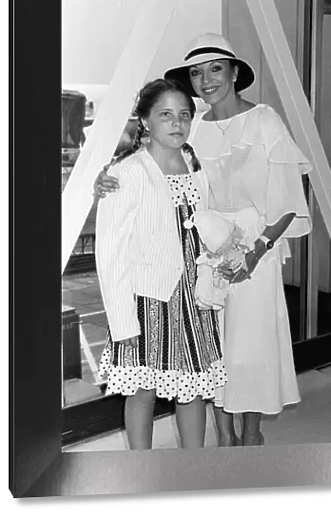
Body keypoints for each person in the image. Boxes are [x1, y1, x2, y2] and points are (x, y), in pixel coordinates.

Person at [95, 33, 312, 447]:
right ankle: (222, 438)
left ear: (234, 72)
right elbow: (151, 169)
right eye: (196, 72)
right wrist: (104, 176)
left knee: (250, 347)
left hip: (254, 250)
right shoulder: (193, 135)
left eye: (216, 68)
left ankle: (250, 436)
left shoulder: (264, 118)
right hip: (202, 260)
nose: (207, 79)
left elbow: (287, 196)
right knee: (211, 352)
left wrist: (257, 249)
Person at [95, 78, 227, 450]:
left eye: (184, 115)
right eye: (165, 114)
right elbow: (110, 253)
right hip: (147, 299)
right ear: (145, 121)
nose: (177, 123)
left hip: (192, 297)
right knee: (142, 389)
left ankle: (192, 466)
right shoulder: (128, 172)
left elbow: (204, 224)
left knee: (193, 386)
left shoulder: (193, 164)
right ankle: (142, 472)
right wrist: (123, 322)